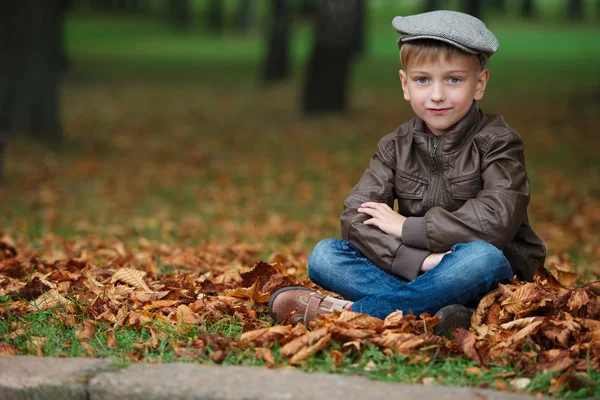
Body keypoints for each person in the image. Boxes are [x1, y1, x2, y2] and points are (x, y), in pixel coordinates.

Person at [268, 10, 546, 336]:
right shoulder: (395, 146)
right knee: (326, 256)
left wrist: (408, 228)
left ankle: (351, 315)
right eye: (422, 80)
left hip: (491, 272)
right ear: (405, 84)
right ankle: (442, 312)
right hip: (421, 270)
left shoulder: (499, 142)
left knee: (481, 258)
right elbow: (356, 217)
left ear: (479, 83)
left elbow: (495, 220)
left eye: (453, 79)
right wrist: (420, 262)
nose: (437, 95)